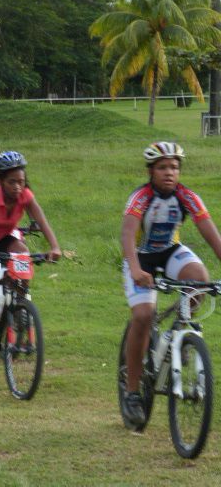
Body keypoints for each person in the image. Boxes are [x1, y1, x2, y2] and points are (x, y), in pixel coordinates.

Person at [121, 141, 221, 426]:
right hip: (140, 257)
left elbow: (212, 237)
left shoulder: (188, 197)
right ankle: (132, 393)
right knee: (143, 315)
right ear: (151, 171)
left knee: (200, 279)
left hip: (170, 251)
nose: (169, 172)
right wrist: (137, 270)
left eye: (174, 167)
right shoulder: (140, 198)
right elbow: (127, 235)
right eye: (163, 167)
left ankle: (179, 329)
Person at [0, 150, 61, 369]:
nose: (18, 187)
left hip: (5, 239)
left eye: (21, 182)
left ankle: (19, 305)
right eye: (12, 182)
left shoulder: (25, 195)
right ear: (1, 181)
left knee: (22, 251)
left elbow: (41, 220)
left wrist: (54, 247)